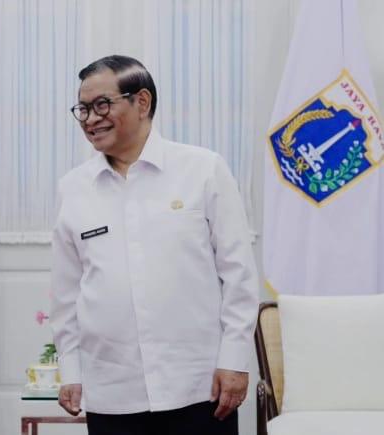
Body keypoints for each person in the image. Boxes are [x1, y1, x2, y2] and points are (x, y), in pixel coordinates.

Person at [50, 55, 259, 435]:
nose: (90, 119)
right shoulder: (73, 188)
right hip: (113, 391)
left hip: (199, 386)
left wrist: (235, 360)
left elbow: (238, 275)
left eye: (102, 105)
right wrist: (70, 370)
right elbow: (66, 295)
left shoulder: (203, 170)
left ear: (142, 102)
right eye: (83, 109)